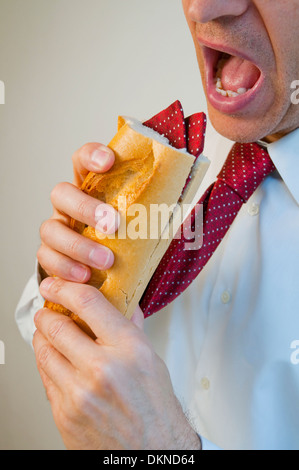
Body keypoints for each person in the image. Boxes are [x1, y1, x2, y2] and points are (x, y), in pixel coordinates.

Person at [15, 0, 299, 450]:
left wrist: (164, 449)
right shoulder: (173, 154)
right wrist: (71, 268)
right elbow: (43, 329)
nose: (203, 7)